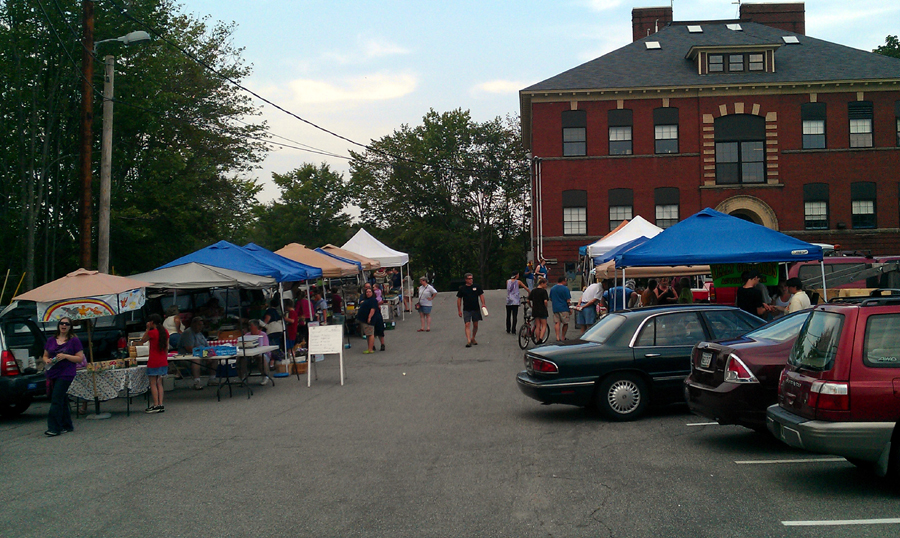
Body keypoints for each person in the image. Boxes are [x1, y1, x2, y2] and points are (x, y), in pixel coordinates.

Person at [42, 317, 85, 436]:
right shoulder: (51, 340)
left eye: (67, 324)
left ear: (70, 327)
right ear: (58, 325)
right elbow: (45, 356)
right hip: (53, 372)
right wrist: (47, 360)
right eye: (62, 323)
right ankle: (67, 425)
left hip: (66, 373)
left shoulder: (74, 341)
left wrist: (66, 356)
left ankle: (54, 428)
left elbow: (79, 358)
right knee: (62, 398)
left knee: (56, 399)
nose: (64, 325)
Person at [140, 314, 169, 413]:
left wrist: (147, 329)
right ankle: (161, 404)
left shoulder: (152, 333)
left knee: (152, 383)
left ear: (151, 322)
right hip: (163, 360)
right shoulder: (164, 332)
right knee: (159, 383)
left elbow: (142, 340)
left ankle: (155, 404)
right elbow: (166, 347)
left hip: (154, 360)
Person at [178, 317, 217, 390]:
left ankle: (212, 379)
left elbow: (207, 346)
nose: (201, 327)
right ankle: (197, 382)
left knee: (214, 357)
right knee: (196, 359)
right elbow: (189, 349)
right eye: (199, 325)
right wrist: (204, 355)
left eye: (202, 325)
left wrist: (208, 355)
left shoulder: (200, 334)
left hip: (202, 354)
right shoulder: (188, 333)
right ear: (193, 324)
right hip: (187, 357)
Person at [457, 273, 487, 348]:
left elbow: (481, 295)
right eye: (469, 278)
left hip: (475, 308)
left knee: (475, 325)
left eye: (472, 278)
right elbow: (459, 299)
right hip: (466, 309)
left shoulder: (476, 287)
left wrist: (483, 304)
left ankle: (473, 337)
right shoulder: (462, 288)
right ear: (466, 279)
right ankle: (468, 340)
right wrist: (459, 310)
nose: (471, 280)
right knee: (467, 324)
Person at [240, 319, 273, 385]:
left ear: (256, 327)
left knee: (261, 357)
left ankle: (265, 376)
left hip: (262, 354)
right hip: (250, 354)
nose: (249, 327)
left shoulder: (263, 335)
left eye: (251, 326)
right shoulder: (247, 335)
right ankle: (242, 376)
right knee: (240, 358)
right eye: (249, 326)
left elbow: (265, 347)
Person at [356, 287, 380, 354]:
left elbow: (373, 309)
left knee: (370, 334)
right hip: (363, 319)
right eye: (367, 292)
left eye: (369, 292)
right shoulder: (366, 300)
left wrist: (369, 317)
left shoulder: (373, 300)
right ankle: (369, 347)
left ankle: (370, 349)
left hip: (368, 320)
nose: (368, 293)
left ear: (372, 293)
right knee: (368, 334)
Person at [549, 276, 572, 341]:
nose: (566, 282)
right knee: (565, 323)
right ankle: (563, 337)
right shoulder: (565, 289)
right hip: (564, 308)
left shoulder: (553, 288)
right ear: (563, 281)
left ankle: (557, 337)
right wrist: (570, 308)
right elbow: (568, 300)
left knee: (557, 323)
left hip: (555, 308)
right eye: (565, 281)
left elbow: (550, 298)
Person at [527, 278, 550, 342]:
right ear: (542, 283)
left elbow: (528, 300)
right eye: (545, 284)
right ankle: (540, 339)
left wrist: (530, 305)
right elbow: (545, 301)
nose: (546, 286)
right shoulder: (543, 291)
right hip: (542, 309)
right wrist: (546, 306)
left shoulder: (533, 291)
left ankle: (537, 339)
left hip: (535, 309)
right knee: (544, 325)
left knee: (537, 326)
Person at [284, 299, 299, 363]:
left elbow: (292, 320)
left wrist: (285, 318)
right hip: (293, 331)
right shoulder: (294, 312)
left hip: (291, 331)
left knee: (290, 346)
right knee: (290, 346)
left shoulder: (292, 312)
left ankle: (291, 358)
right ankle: (292, 358)